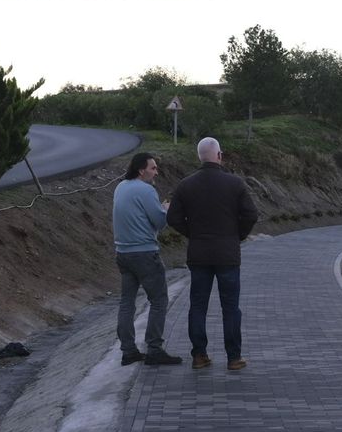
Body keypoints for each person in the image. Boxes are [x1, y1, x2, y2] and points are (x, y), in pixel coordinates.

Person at [167, 137, 259, 371]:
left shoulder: (185, 185)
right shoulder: (234, 183)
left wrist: (193, 233)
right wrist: (237, 235)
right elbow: (251, 215)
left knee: (198, 305)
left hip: (198, 254)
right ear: (219, 155)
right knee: (230, 307)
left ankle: (199, 355)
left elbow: (173, 218)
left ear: (199, 156)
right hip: (227, 254)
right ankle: (234, 358)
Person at [111, 153, 182, 367]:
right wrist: (167, 208)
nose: (156, 172)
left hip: (123, 253)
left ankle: (128, 351)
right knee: (159, 300)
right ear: (142, 170)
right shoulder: (146, 190)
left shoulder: (121, 187)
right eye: (153, 168)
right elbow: (160, 222)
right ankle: (154, 349)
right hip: (144, 253)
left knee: (127, 302)